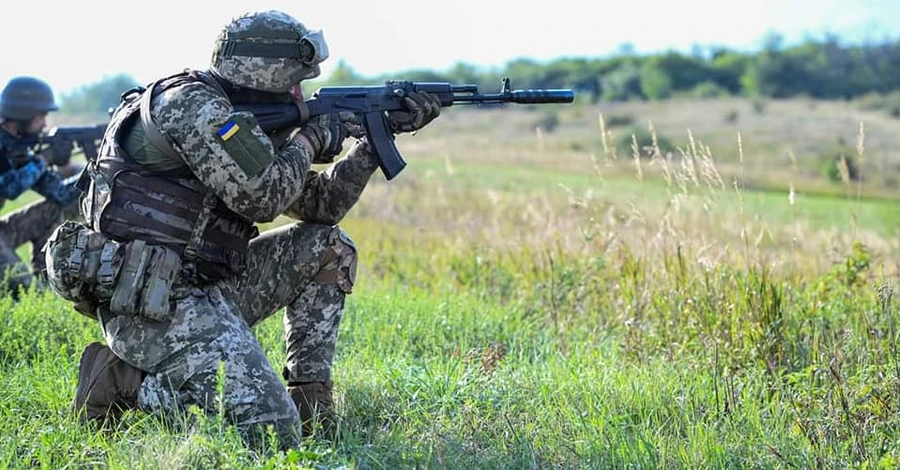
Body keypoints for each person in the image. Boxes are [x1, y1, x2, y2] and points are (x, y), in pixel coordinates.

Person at [45, 10, 441, 449]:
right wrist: (308, 140)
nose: (300, 90)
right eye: (295, 78)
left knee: (327, 246)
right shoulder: (191, 106)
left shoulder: (240, 119)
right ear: (264, 71)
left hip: (209, 287)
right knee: (271, 431)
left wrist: (372, 140)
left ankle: (312, 410)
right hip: (152, 304)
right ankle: (121, 382)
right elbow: (263, 196)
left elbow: (320, 206)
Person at [0, 76, 82, 295]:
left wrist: (92, 170)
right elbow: (8, 187)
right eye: (41, 117)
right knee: (29, 295)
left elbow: (62, 195)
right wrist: (43, 160)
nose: (45, 124)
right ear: (23, 115)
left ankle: (46, 275)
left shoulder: (18, 148)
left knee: (56, 209)